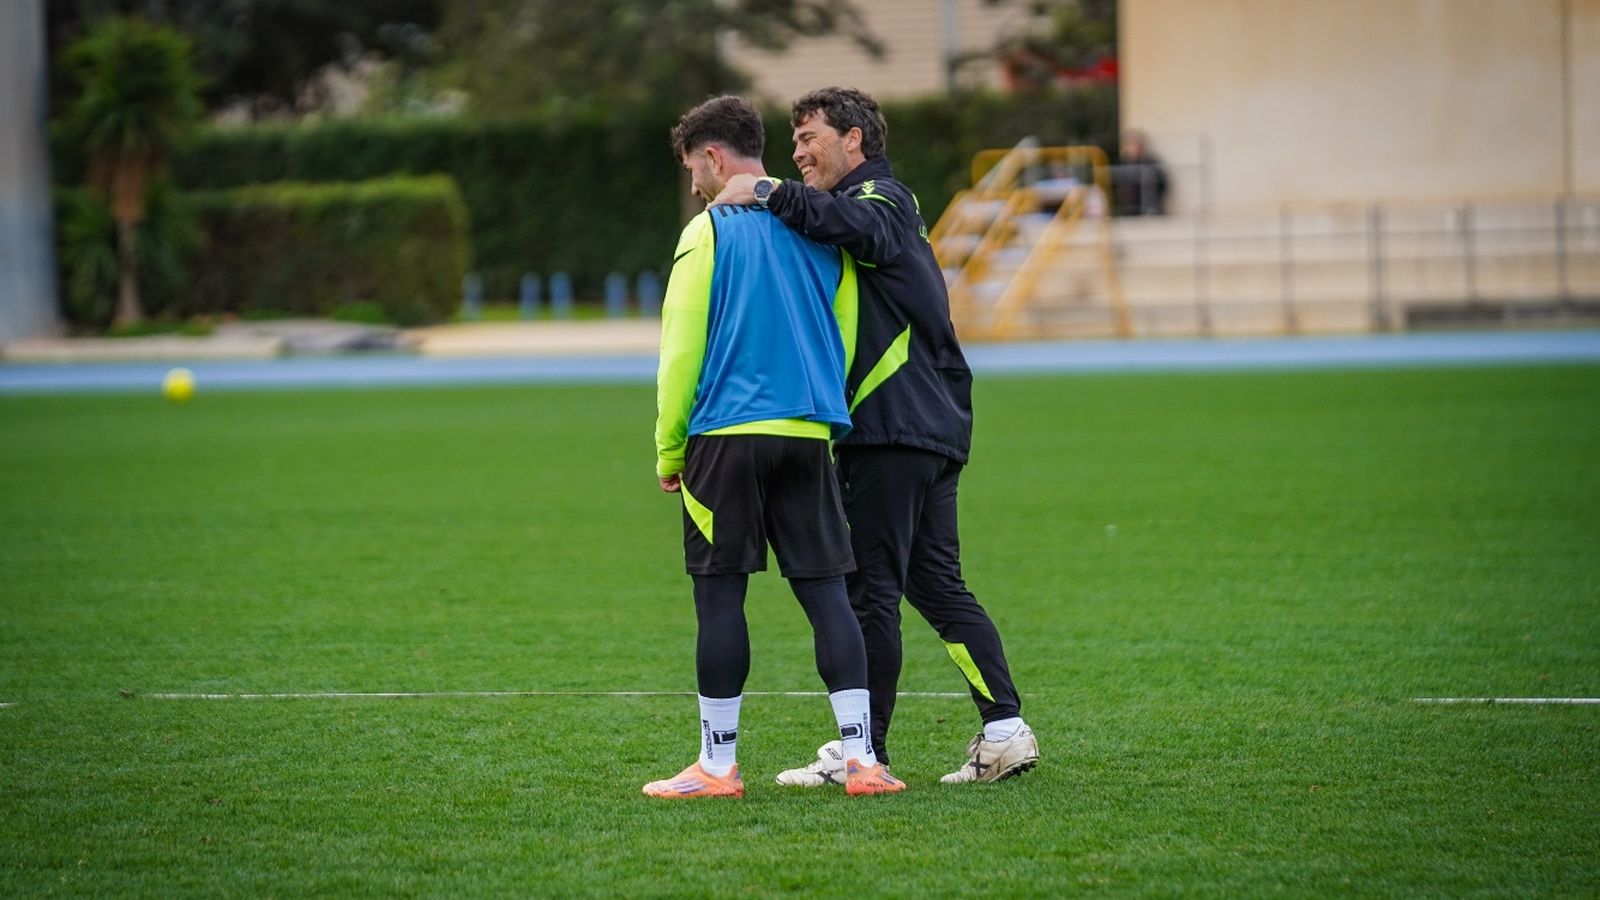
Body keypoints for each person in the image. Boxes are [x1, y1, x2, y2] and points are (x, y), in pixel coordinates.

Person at [712, 87, 1039, 785]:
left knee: (870, 590)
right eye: (791, 142)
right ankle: (1005, 730)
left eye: (810, 138)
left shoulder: (884, 200)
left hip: (894, 428)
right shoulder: (872, 207)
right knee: (938, 587)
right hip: (925, 425)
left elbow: (852, 229)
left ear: (854, 140)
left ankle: (867, 753)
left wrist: (762, 188)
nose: (798, 152)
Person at [644, 95, 904, 799]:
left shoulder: (708, 230)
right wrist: (821, 414)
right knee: (828, 597)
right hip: (807, 433)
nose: (695, 184)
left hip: (724, 438)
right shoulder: (820, 230)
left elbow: (680, 352)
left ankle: (718, 768)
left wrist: (671, 453)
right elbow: (844, 337)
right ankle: (862, 761)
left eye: (693, 170)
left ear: (713, 157)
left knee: (721, 598)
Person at [1113, 128, 1168, 216]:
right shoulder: (1121, 164)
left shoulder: (1150, 163)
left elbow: (1162, 184)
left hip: (1148, 208)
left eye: (1136, 144)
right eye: (1130, 144)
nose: (1134, 148)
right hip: (1128, 209)